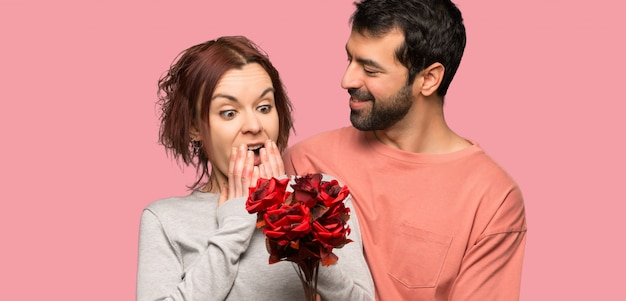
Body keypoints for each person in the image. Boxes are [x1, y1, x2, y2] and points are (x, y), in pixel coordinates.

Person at [283, 0, 527, 300]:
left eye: (370, 69)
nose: (347, 80)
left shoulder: (491, 199)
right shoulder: (306, 163)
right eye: (350, 60)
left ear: (428, 79)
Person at [136, 36, 374, 301]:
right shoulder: (164, 219)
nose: (253, 125)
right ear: (194, 128)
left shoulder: (324, 196)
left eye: (264, 107)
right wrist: (235, 226)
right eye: (229, 112)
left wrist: (292, 220)